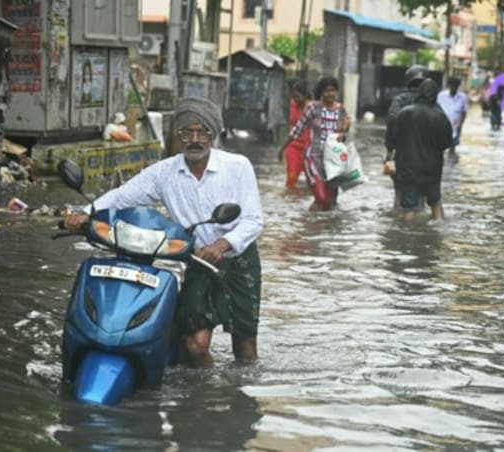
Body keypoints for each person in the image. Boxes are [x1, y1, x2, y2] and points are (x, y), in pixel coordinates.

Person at [63, 97, 264, 368]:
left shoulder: (238, 167)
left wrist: (223, 244)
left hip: (239, 260)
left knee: (245, 346)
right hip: (198, 260)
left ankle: (238, 398)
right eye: (186, 132)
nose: (194, 139)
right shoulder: (164, 173)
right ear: (178, 135)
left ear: (212, 134)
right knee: (194, 346)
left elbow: (253, 220)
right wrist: (85, 213)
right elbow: (122, 197)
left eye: (201, 132)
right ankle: (203, 395)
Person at [278, 76, 351, 211]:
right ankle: (308, 225)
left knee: (331, 202)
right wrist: (282, 148)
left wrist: (344, 132)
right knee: (321, 198)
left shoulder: (341, 110)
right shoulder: (313, 108)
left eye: (333, 90)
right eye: (327, 90)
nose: (331, 94)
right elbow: (297, 129)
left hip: (332, 159)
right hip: (313, 156)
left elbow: (344, 134)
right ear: (321, 92)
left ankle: (320, 228)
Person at [385, 79, 453, 222]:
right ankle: (438, 231)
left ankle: (408, 236)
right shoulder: (441, 116)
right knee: (435, 202)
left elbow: (393, 137)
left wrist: (392, 152)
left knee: (409, 207)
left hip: (408, 166)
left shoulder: (405, 113)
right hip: (433, 168)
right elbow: (447, 143)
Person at [385, 64, 428, 207]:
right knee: (422, 196)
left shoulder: (400, 100)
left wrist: (390, 148)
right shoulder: (433, 102)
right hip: (427, 156)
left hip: (403, 153)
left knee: (399, 194)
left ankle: (399, 225)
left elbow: (392, 122)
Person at [277, 80, 312, 188]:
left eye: (297, 97)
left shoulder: (311, 107)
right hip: (293, 146)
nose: (295, 100)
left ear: (305, 95)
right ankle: (290, 201)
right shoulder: (292, 104)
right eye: (293, 96)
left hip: (309, 148)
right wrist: (282, 148)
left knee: (311, 180)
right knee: (291, 178)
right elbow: (293, 128)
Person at [436, 77, 469, 155]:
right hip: (442, 126)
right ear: (448, 85)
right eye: (452, 85)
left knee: (452, 148)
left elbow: (464, 112)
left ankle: (452, 164)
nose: (453, 87)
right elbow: (436, 109)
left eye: (456, 86)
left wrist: (460, 125)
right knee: (440, 148)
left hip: (455, 126)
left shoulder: (463, 97)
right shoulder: (441, 95)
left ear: (458, 86)